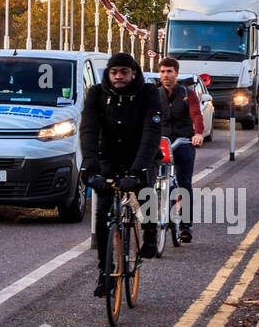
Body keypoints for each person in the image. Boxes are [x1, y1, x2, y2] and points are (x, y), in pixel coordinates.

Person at [80, 51, 166, 296]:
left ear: (134, 73)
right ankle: (104, 272)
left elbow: (152, 133)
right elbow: (88, 130)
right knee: (103, 209)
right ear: (108, 73)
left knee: (146, 192)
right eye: (114, 72)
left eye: (124, 72)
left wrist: (138, 170)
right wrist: (90, 167)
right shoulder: (96, 94)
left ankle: (150, 233)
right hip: (109, 157)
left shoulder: (149, 93)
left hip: (140, 156)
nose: (118, 77)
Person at [157, 56, 205, 243]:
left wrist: (198, 134)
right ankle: (154, 220)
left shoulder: (188, 93)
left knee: (184, 182)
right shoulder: (154, 94)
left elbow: (196, 115)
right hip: (161, 142)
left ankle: (186, 226)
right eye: (162, 71)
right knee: (153, 181)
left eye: (169, 71)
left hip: (183, 141)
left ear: (176, 73)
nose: (166, 75)